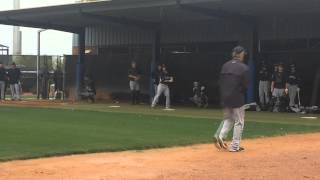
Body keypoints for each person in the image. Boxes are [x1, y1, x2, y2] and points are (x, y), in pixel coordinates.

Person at [214, 46, 250, 152]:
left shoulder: (225, 66)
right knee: (239, 121)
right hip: (236, 97)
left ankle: (221, 136)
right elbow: (245, 85)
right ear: (240, 54)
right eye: (243, 53)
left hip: (225, 96)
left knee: (229, 118)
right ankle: (235, 146)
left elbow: (220, 82)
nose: (244, 55)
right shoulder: (243, 67)